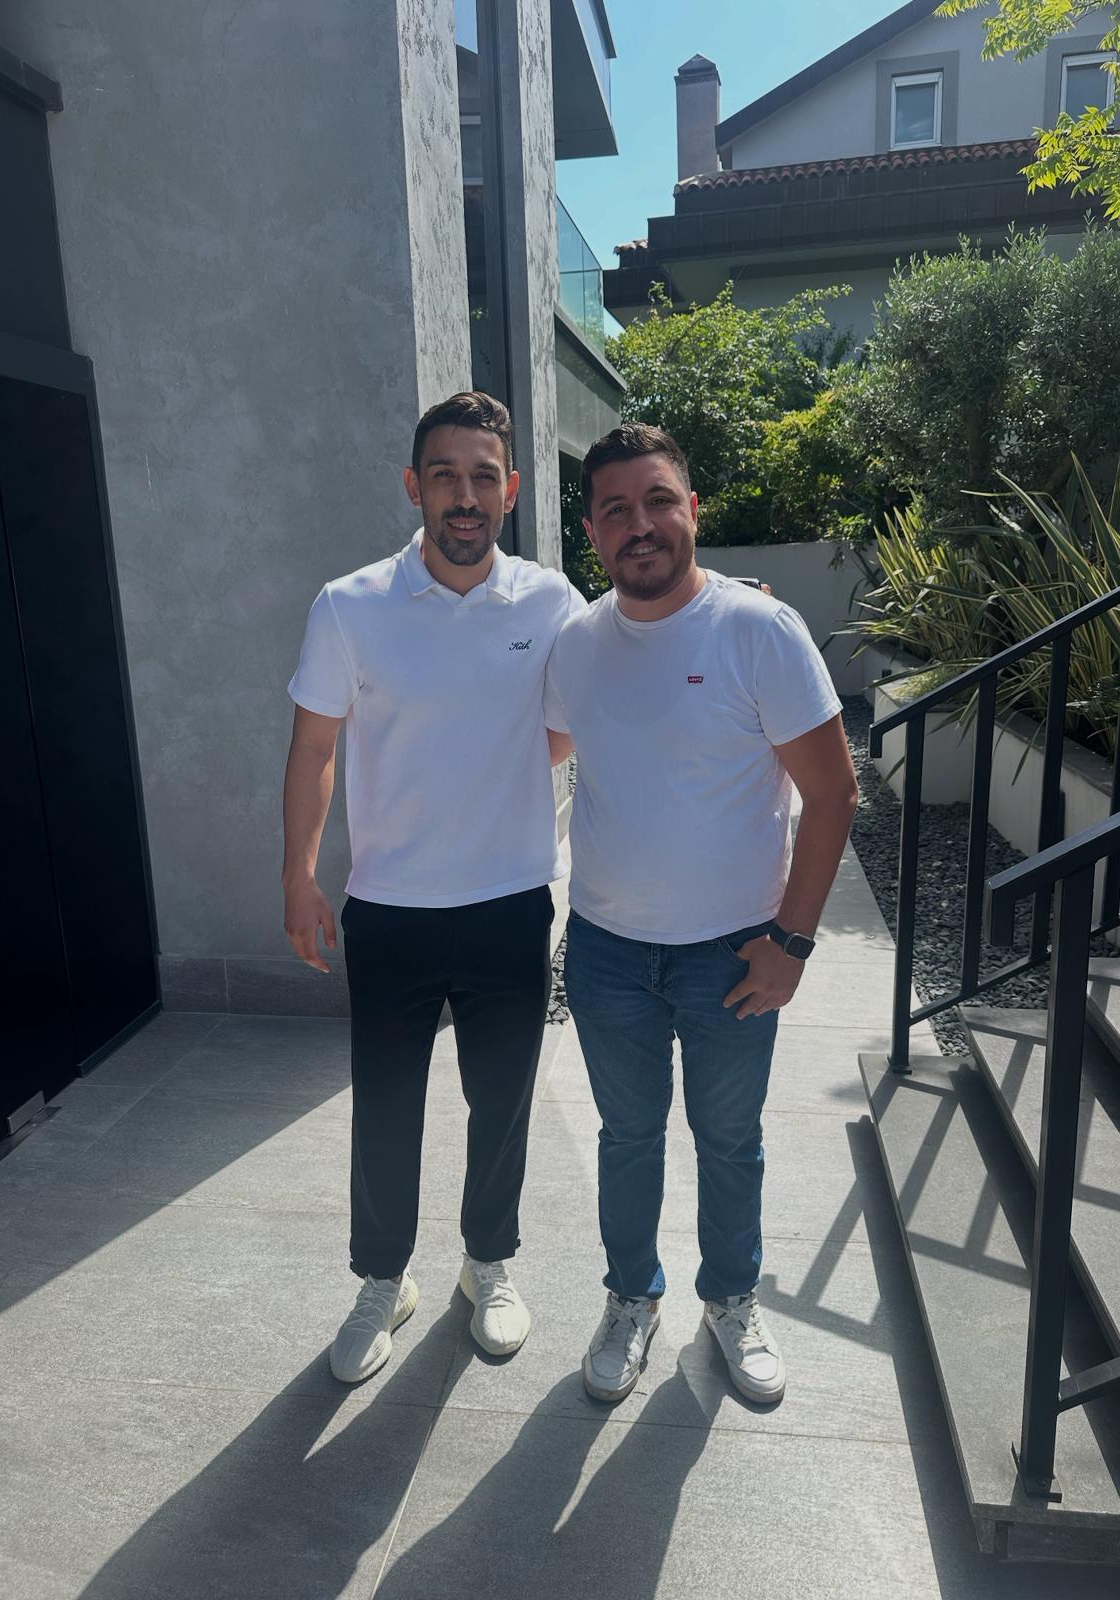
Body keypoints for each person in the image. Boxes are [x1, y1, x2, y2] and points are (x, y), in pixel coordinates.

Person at [543, 423, 858, 1406]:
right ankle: (631, 1298)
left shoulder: (758, 630)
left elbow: (834, 793)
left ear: (691, 508)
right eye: (616, 509)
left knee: (729, 1140)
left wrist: (792, 943)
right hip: (606, 951)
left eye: (658, 500)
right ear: (592, 530)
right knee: (627, 1136)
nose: (639, 524)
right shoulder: (577, 643)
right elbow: (534, 752)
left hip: (733, 951)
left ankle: (730, 1298)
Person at [282, 392, 580, 1383]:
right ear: (415, 485)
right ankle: (383, 1280)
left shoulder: (549, 603)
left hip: (508, 904)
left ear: (512, 489)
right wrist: (299, 875)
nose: (465, 495)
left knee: (502, 1101)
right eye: (445, 475)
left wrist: (491, 774)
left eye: (483, 476)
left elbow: (568, 724)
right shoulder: (350, 605)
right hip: (390, 908)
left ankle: (487, 1266)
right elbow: (315, 748)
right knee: (385, 1106)